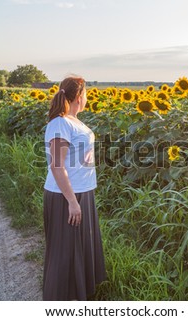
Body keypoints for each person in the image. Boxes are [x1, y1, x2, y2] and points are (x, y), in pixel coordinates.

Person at [42, 76, 106, 300]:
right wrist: (71, 202)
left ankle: (77, 296)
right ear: (79, 97)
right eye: (86, 93)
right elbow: (57, 166)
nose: (87, 97)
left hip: (81, 192)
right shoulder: (60, 123)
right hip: (65, 196)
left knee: (77, 250)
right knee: (65, 253)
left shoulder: (74, 121)